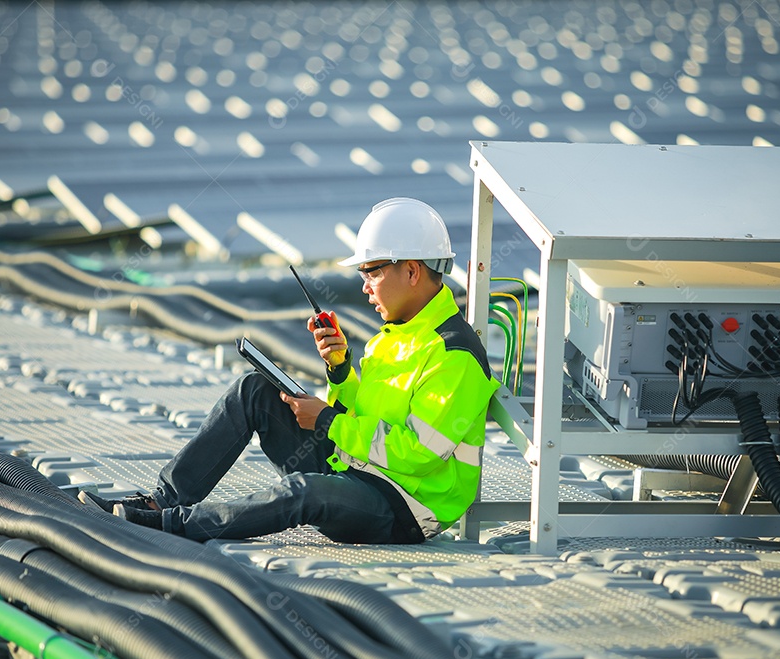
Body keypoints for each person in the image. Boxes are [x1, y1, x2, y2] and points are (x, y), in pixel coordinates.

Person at [80, 198, 500, 543]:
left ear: (411, 270)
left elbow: (419, 454)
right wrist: (339, 370)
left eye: (371, 272)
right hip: (355, 470)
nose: (364, 286)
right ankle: (161, 502)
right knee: (255, 391)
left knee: (305, 492)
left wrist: (328, 420)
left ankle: (168, 528)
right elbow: (367, 419)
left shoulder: (455, 355)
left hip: (402, 506)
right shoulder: (394, 336)